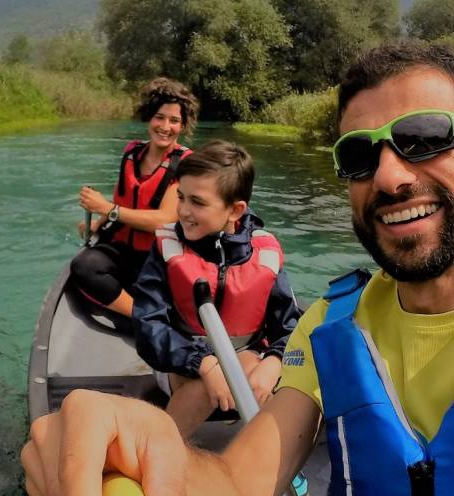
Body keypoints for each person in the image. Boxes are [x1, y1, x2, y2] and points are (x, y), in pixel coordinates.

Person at [22, 41, 454, 496]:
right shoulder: (329, 325)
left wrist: (268, 361)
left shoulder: (265, 259)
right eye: (358, 156)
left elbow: (279, 323)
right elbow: (236, 483)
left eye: (425, 138)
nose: (388, 177)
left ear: (235, 210)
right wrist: (158, 452)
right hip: (185, 356)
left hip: (236, 356)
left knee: (246, 367)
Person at [133, 140, 300, 438]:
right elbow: (149, 327)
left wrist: (274, 362)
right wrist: (205, 364)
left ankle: (259, 458)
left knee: (254, 367)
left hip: (247, 358)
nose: (182, 211)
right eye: (180, 197)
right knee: (207, 384)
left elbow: (289, 328)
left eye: (197, 202)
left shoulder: (265, 254)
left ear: (235, 210)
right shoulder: (167, 249)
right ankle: (157, 451)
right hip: (180, 363)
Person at [70, 77, 199, 317]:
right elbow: (124, 199)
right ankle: (138, 315)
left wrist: (106, 209)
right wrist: (99, 222)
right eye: (159, 117)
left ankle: (148, 314)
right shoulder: (132, 153)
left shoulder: (185, 163)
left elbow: (163, 220)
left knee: (173, 294)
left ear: (183, 126)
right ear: (149, 118)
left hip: (157, 257)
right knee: (82, 266)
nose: (165, 126)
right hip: (122, 248)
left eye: (174, 121)